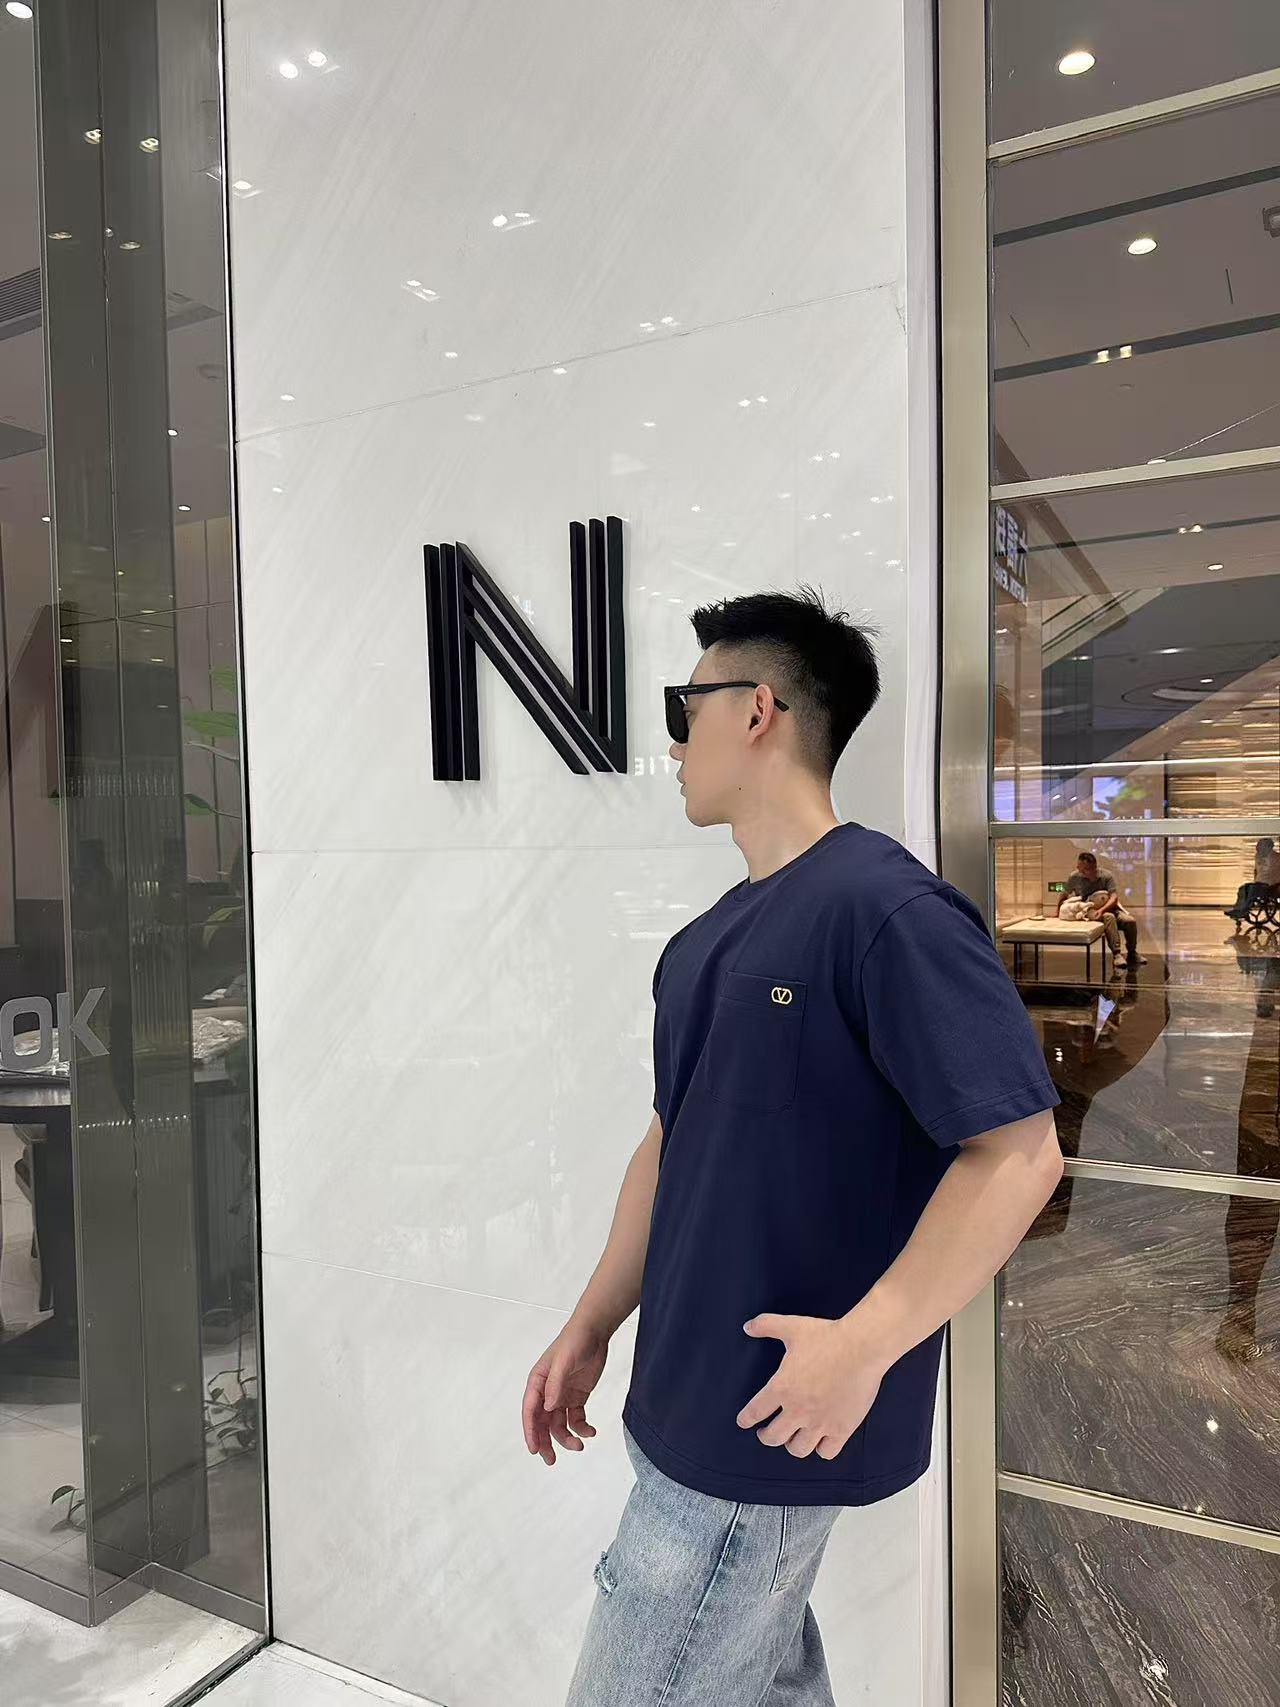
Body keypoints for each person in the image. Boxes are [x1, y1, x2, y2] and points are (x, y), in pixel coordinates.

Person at [522, 587, 1065, 1707]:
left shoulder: (885, 911)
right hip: (680, 1400)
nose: (674, 744)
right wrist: (591, 1320)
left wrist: (863, 1345)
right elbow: (668, 1147)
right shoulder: (704, 940)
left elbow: (1019, 1156)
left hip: (760, 1424)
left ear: (757, 709)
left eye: (685, 709)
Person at [1058, 851, 1147, 968]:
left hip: (1108, 907)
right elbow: (1064, 894)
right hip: (1088, 910)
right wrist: (1057, 912)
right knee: (1109, 917)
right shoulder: (1074, 877)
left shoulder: (1106, 876)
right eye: (1079, 867)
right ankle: (1117, 954)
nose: (1081, 871)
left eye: (1085, 869)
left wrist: (1103, 909)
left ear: (1094, 867)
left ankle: (1132, 952)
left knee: (1130, 921)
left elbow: (1114, 897)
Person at [1225, 838, 1280, 928]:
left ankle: (1243, 910)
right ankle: (1238, 909)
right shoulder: (1258, 856)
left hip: (1271, 885)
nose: (1258, 848)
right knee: (1243, 888)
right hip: (1260, 883)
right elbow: (1257, 871)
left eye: (1260, 846)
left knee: (1252, 889)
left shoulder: (1276, 858)